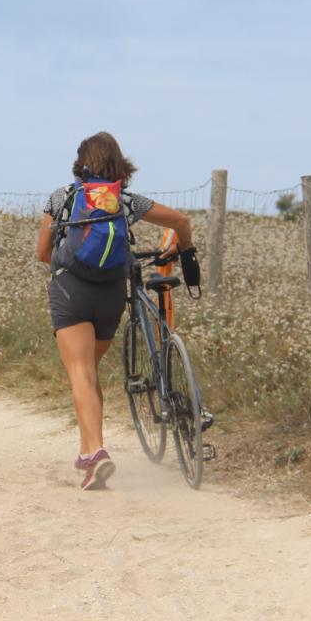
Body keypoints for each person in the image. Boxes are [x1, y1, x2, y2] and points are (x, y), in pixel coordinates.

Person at [35, 131, 197, 491]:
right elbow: (181, 221)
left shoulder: (63, 198)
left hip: (71, 289)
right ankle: (87, 454)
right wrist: (182, 251)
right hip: (111, 294)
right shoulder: (126, 202)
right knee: (89, 374)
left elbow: (43, 252)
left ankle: (97, 453)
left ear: (81, 163)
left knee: (81, 373)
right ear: (119, 163)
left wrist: (68, 258)